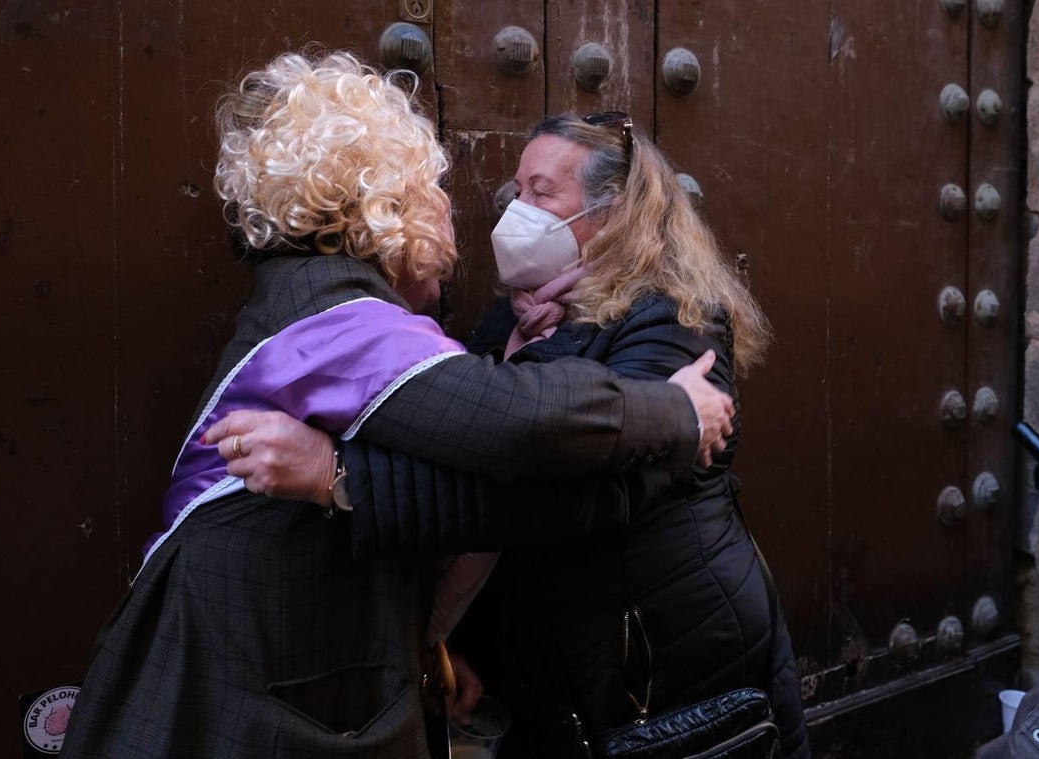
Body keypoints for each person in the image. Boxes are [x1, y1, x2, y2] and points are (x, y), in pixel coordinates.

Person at [60, 51, 732, 759]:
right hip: (237, 664)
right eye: (431, 186)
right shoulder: (336, 316)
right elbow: (519, 420)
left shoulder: (319, 299)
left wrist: (339, 480)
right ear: (383, 201)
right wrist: (677, 411)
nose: (459, 209)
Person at [224, 111, 811, 758]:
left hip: (666, 664)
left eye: (542, 191)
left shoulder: (674, 320)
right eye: (519, 189)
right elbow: (468, 459)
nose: (518, 209)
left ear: (613, 213)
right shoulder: (514, 320)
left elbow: (563, 494)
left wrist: (339, 478)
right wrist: (454, 641)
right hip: (555, 676)